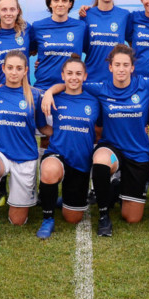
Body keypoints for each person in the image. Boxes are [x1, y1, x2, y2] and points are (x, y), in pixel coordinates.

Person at [42, 44, 149, 237]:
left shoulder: (145, 85)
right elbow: (72, 83)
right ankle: (104, 216)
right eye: (117, 64)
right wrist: (49, 92)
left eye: (125, 65)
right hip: (112, 147)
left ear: (132, 67)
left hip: (137, 152)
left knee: (132, 218)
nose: (121, 69)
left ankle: (114, 189)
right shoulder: (100, 88)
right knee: (100, 160)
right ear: (110, 67)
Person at [0, 51, 46, 243]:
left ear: (26, 70)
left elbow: (42, 127)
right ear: (3, 69)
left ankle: (12, 197)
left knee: (18, 221)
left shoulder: (35, 95)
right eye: (10, 68)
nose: (14, 72)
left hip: (25, 156)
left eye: (19, 68)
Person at [36, 56, 100, 239]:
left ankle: (61, 199)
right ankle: (47, 219)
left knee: (72, 218)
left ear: (85, 76)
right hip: (58, 153)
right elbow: (42, 127)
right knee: (48, 170)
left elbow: (101, 127)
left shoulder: (94, 100)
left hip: (81, 162)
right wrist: (58, 134)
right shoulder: (54, 98)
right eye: (69, 73)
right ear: (63, 76)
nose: (74, 77)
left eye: (78, 74)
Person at [29, 0, 87, 89]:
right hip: (43, 87)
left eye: (64, 1)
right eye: (56, 0)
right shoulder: (37, 26)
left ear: (70, 4)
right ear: (50, 3)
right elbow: (28, 51)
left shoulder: (81, 26)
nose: (60, 4)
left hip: (70, 89)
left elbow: (92, 50)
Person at [80, 0, 132, 86]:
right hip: (91, 79)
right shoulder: (86, 15)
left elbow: (132, 42)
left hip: (116, 80)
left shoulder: (124, 15)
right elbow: (82, 47)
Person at [0, 0, 29, 87]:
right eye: (4, 9)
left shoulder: (27, 29)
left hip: (23, 89)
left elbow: (35, 49)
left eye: (12, 9)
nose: (8, 13)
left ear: (18, 11)